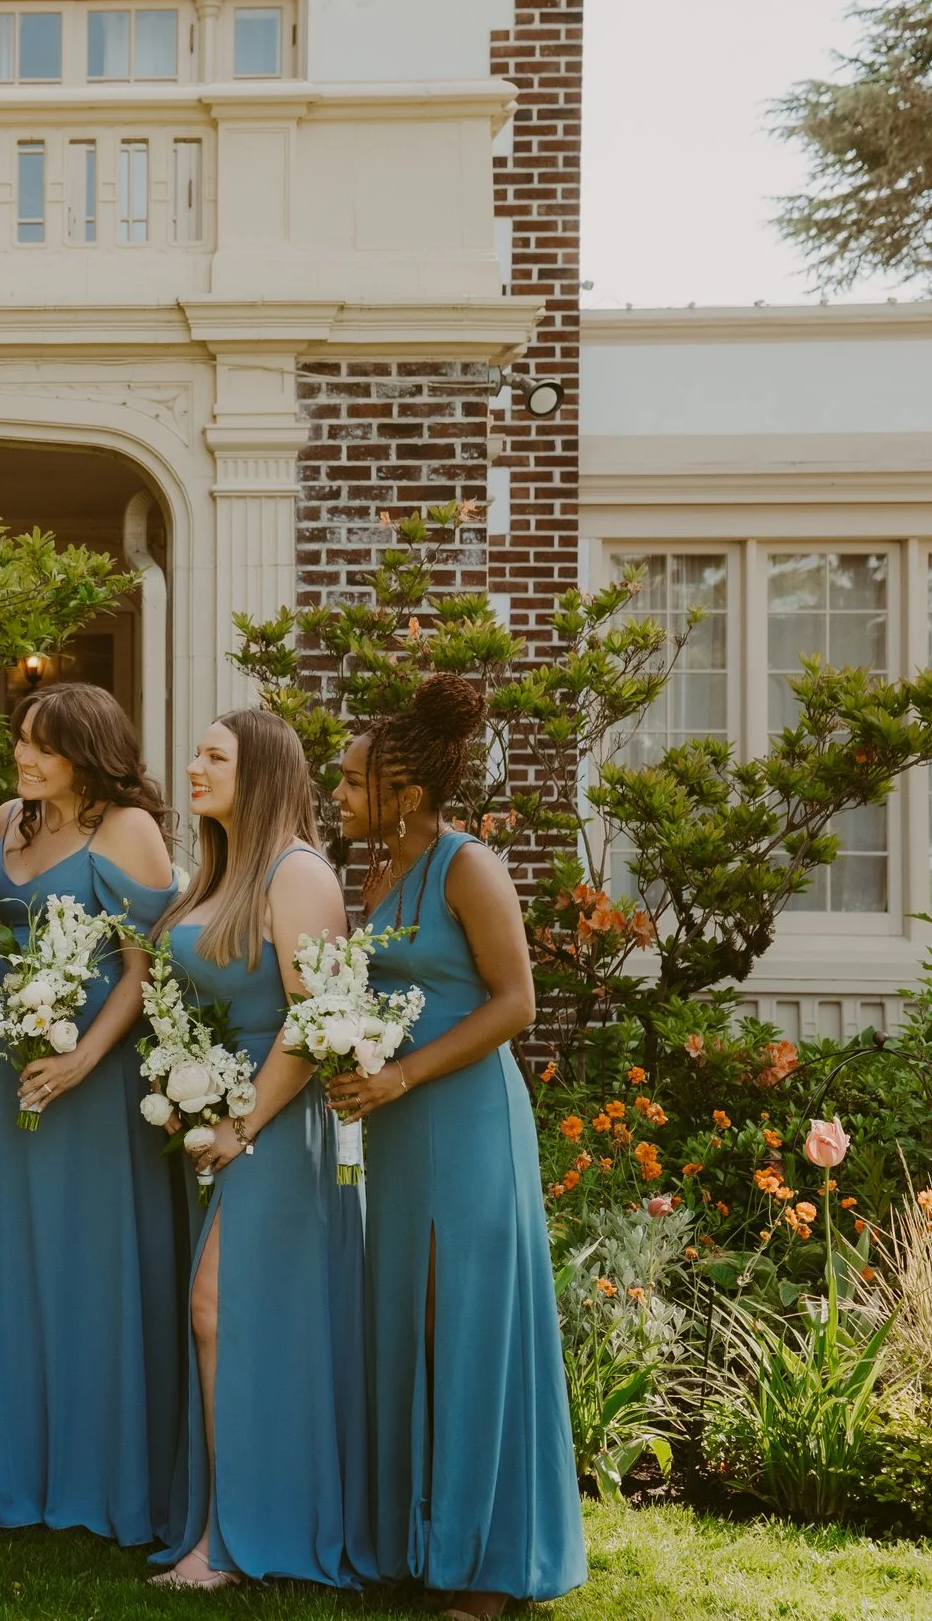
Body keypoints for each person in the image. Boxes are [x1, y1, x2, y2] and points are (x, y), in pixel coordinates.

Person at [327, 676, 587, 1618]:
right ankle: (420, 1537)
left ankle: (488, 1568)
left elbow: (516, 1003)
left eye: (354, 784)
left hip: (467, 1117)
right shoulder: (379, 873)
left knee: (465, 1324)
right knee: (408, 1323)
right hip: (398, 1125)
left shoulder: (466, 863)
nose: (341, 798)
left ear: (403, 790)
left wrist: (399, 1074)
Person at [155, 709, 372, 1592]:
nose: (195, 766)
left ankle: (235, 1536)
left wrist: (242, 1124)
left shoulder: (298, 871)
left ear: (266, 770)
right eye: (196, 752)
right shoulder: (221, 867)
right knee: (228, 1317)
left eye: (216, 755)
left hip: (277, 1121)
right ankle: (231, 1522)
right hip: (220, 1110)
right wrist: (184, 1084)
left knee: (223, 1309)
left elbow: (313, 1021)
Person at [0, 682, 187, 1547]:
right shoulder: (4, 822)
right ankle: (28, 1476)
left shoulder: (126, 829)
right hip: (12, 1075)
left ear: (88, 753)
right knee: (23, 1260)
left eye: (44, 747)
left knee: (99, 1267)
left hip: (97, 1080)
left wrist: (82, 1059)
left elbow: (147, 968)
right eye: (21, 740)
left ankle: (111, 1480)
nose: (24, 758)